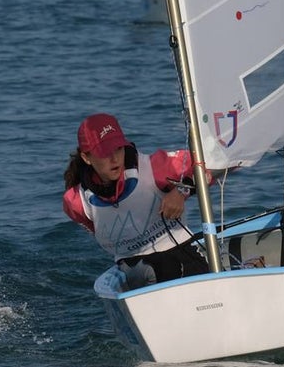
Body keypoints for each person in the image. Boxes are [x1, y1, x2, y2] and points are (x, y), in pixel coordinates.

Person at [62, 113, 211, 289]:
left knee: (165, 269)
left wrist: (181, 190)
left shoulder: (156, 167)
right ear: (86, 158)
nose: (114, 158)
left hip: (180, 254)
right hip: (132, 268)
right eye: (105, 152)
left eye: (118, 148)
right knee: (147, 272)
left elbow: (209, 166)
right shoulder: (76, 203)